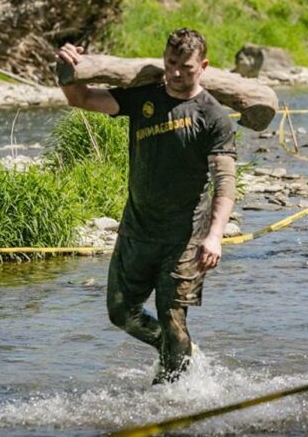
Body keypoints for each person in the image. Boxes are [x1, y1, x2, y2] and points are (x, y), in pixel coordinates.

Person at [56, 28, 237, 384]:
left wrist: (215, 236)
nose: (175, 73)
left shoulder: (213, 116)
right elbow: (81, 98)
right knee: (121, 313)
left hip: (185, 236)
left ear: (203, 66)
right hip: (138, 229)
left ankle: (167, 397)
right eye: (170, 64)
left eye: (185, 67)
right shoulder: (143, 97)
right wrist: (66, 70)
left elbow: (225, 182)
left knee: (172, 317)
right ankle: (175, 351)